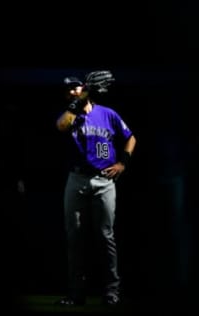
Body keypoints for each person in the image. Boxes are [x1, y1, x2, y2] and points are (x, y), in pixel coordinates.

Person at [54, 70, 136, 306]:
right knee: (75, 237)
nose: (72, 90)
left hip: (103, 181)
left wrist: (122, 163)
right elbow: (61, 126)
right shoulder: (71, 115)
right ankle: (76, 293)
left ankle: (112, 292)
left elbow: (130, 137)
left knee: (105, 236)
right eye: (69, 89)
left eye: (76, 86)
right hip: (76, 180)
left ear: (86, 87)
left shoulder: (107, 114)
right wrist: (78, 101)